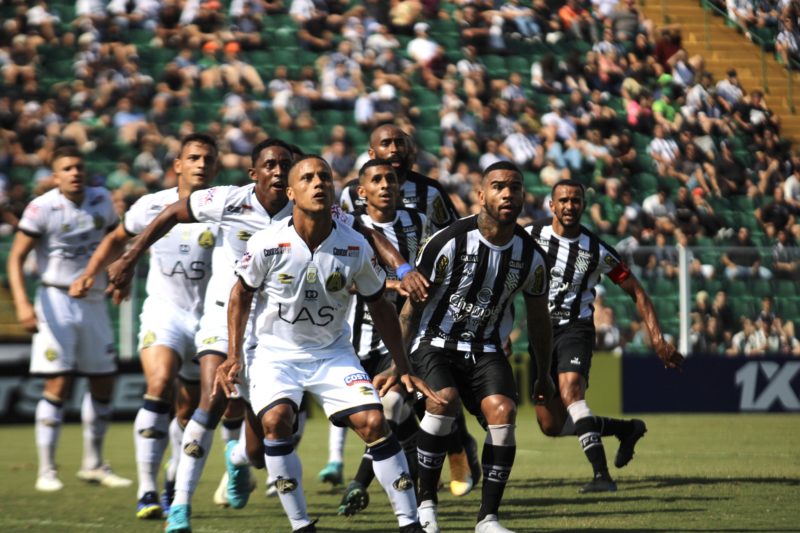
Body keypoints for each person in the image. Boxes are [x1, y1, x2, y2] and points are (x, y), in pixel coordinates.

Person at [214, 155, 440, 533]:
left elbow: (380, 306)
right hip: (275, 354)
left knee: (373, 422)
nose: (318, 182)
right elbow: (240, 295)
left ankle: (410, 523)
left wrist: (403, 367)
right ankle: (301, 525)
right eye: (307, 178)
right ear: (292, 192)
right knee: (275, 421)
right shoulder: (268, 243)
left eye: (324, 177)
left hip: (333, 353)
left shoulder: (353, 245)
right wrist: (233, 355)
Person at [105, 138, 296, 532]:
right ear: (253, 172)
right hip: (222, 318)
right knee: (208, 403)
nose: (278, 172)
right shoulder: (229, 200)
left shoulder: (309, 211)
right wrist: (129, 256)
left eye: (285, 166)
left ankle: (240, 458)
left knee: (264, 442)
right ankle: (180, 506)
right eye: (271, 165)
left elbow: (357, 237)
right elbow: (173, 212)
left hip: (274, 329)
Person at [69, 133, 220, 518]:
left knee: (188, 414)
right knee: (158, 384)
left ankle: (172, 480)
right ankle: (148, 491)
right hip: (163, 312)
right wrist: (94, 274)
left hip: (208, 321)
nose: (201, 164)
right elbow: (118, 238)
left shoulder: (227, 208)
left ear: (215, 167)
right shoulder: (150, 205)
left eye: (208, 159)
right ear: (178, 165)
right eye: (194, 157)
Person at [399, 161, 555, 533]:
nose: (507, 193)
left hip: (485, 347)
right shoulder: (448, 241)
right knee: (444, 401)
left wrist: (544, 373)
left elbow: (538, 320)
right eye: (498, 186)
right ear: (481, 195)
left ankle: (487, 519)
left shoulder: (531, 255)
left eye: (515, 187)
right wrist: (398, 363)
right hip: (434, 341)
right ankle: (426, 507)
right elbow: (410, 311)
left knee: (503, 412)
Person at [526, 179, 684, 493]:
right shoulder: (531, 236)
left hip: (576, 328)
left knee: (572, 392)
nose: (570, 206)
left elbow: (636, 290)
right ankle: (628, 429)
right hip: (540, 335)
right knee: (551, 425)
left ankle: (602, 477)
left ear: (583, 205)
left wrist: (657, 339)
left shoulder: (596, 250)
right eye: (564, 201)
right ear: (552, 205)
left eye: (576, 201)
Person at [7, 146, 132, 492]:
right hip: (55, 298)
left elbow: (116, 241)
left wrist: (123, 278)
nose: (74, 173)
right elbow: (16, 258)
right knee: (58, 383)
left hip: (93, 300)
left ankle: (93, 463)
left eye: (78, 167)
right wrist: (22, 304)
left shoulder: (101, 198)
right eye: (66, 168)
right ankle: (46, 470)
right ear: (55, 175)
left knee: (103, 381)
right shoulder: (42, 208)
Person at [336, 159, 429, 517]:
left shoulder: (417, 221)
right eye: (377, 179)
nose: (386, 184)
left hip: (404, 337)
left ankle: (359, 484)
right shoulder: (348, 229)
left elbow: (430, 268)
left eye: (391, 178)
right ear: (362, 192)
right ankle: (427, 450)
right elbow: (344, 277)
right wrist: (391, 283)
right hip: (356, 340)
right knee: (371, 417)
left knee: (388, 408)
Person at [340, 124, 458, 232]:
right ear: (371, 154)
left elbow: (451, 232)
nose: (394, 149)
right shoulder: (351, 192)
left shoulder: (430, 189)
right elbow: (343, 232)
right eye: (386, 144)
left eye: (399, 143)